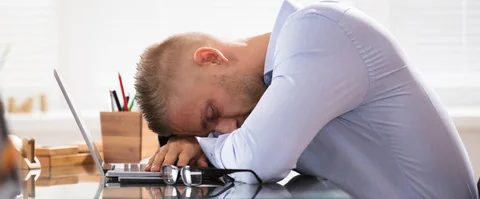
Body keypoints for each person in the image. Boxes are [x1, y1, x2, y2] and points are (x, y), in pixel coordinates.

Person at [133, 0, 478, 198]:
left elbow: (258, 161)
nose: (228, 127)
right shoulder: (279, 81)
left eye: (213, 113)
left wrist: (203, 144)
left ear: (211, 58)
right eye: (211, 131)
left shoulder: (315, 33)